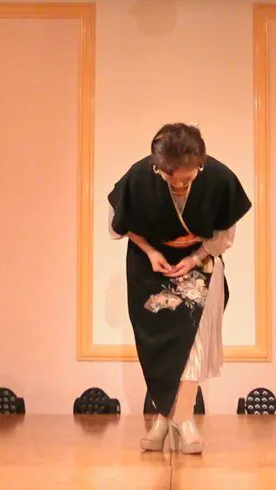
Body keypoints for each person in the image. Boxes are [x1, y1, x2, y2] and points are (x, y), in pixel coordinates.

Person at [107, 122, 252, 454]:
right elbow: (120, 223)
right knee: (159, 347)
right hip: (151, 265)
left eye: (188, 178)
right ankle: (164, 419)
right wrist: (150, 251)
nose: (181, 185)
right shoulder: (140, 176)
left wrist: (196, 257)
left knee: (193, 340)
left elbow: (224, 236)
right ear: (159, 168)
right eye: (173, 179)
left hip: (201, 262)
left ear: (200, 163)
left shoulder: (218, 178)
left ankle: (181, 420)